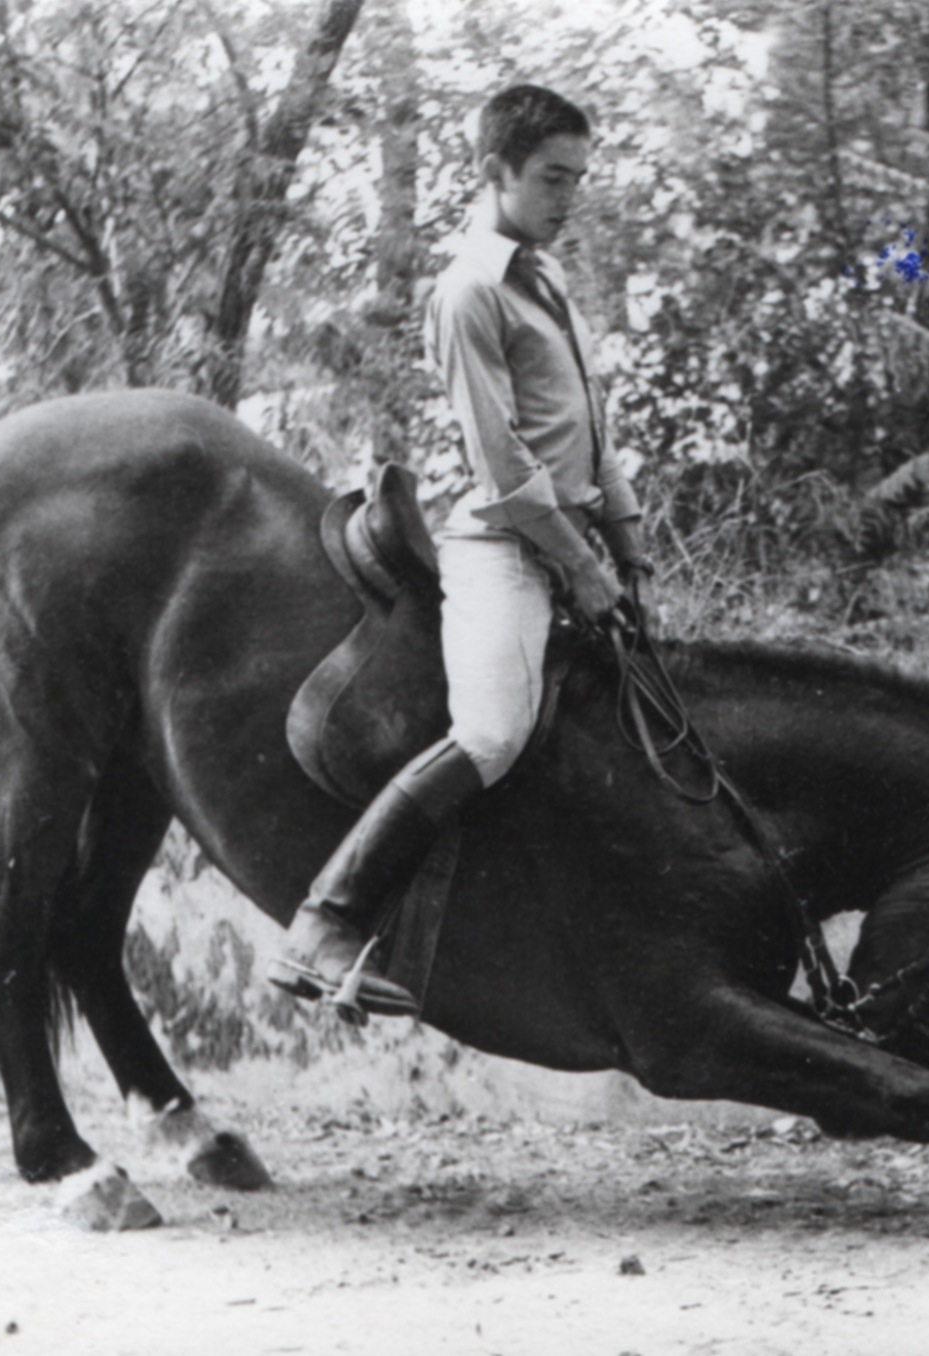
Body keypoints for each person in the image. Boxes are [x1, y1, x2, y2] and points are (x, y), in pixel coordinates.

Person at [273, 84, 654, 1018]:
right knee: (491, 733)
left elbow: (592, 434)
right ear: (495, 172)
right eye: (553, 179)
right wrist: (581, 563)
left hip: (576, 549)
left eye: (580, 179)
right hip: (504, 551)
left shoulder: (546, 277)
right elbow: (503, 462)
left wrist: (631, 549)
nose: (570, 198)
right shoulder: (468, 290)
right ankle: (326, 924)